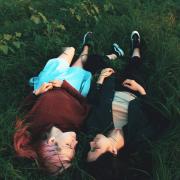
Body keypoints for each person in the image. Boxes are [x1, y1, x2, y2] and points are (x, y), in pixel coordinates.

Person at [83, 31, 169, 179]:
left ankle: (115, 54)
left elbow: (92, 101)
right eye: (95, 148)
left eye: (89, 148)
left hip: (111, 85)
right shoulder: (139, 138)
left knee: (92, 61)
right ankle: (136, 47)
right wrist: (141, 91)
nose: (91, 143)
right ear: (113, 151)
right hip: (132, 89)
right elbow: (162, 118)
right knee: (133, 66)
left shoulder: (94, 126)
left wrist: (101, 80)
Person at [13, 32, 94, 175]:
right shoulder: (75, 123)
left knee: (69, 50)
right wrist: (65, 85)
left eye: (69, 145)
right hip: (71, 85)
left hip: (49, 80)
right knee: (81, 61)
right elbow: (83, 102)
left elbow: (23, 108)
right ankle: (87, 45)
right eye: (74, 148)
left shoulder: (34, 126)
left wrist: (36, 93)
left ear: (51, 141)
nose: (75, 143)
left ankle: (67, 50)